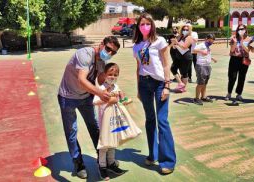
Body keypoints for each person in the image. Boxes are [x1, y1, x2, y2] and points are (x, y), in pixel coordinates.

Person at [57, 36, 120, 179]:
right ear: (101, 44)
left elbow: (98, 80)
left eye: (113, 52)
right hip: (67, 97)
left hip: (86, 97)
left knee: (94, 127)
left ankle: (101, 159)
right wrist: (100, 92)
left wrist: (112, 82)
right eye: (108, 49)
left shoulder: (101, 61)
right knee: (71, 131)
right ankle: (78, 162)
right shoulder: (85, 54)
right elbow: (82, 79)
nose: (109, 53)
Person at [132, 13, 176, 174]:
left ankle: (168, 161)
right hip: (144, 84)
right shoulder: (136, 45)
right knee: (150, 120)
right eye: (141, 24)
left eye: (147, 23)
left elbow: (166, 64)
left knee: (162, 121)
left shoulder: (160, 41)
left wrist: (167, 85)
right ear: (138, 26)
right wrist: (138, 88)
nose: (144, 26)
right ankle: (153, 155)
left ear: (152, 25)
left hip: (159, 84)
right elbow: (139, 68)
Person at [93, 63, 126, 180]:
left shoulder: (116, 87)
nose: (112, 77)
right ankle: (102, 166)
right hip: (104, 122)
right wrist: (107, 100)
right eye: (110, 74)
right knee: (104, 145)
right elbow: (95, 102)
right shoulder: (102, 88)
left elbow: (122, 99)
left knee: (113, 142)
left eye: (115, 75)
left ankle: (111, 163)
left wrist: (122, 98)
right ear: (105, 75)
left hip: (114, 120)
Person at [225, 24, 251, 101]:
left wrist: (242, 42)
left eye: (242, 29)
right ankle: (229, 93)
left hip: (244, 59)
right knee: (232, 77)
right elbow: (232, 50)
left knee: (242, 77)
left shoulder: (249, 39)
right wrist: (235, 43)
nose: (241, 30)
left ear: (245, 29)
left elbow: (248, 50)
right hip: (234, 59)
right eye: (239, 29)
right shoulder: (233, 38)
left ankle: (239, 94)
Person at [192, 34, 217, 105]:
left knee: (205, 83)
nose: (211, 43)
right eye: (210, 41)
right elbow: (193, 50)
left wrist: (212, 58)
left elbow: (207, 54)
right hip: (201, 65)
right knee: (200, 83)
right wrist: (201, 51)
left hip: (207, 65)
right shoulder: (201, 45)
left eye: (212, 42)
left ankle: (203, 97)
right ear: (206, 39)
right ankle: (196, 98)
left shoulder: (207, 46)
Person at [170, 24, 193, 93]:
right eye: (183, 29)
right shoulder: (180, 36)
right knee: (173, 68)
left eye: (186, 30)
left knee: (184, 73)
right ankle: (181, 83)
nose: (185, 31)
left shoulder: (189, 37)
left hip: (186, 57)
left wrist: (177, 43)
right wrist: (174, 44)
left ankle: (182, 88)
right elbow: (175, 46)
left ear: (189, 31)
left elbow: (185, 47)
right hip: (178, 56)